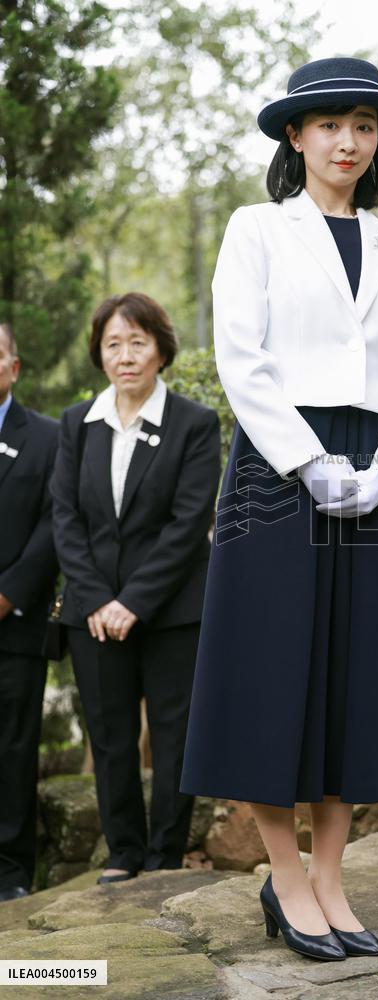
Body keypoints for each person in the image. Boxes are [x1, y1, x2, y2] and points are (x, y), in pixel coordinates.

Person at [179, 56, 378, 961]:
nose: (348, 141)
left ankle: (332, 877)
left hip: (370, 470)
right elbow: (240, 358)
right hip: (277, 470)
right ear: (296, 135)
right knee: (269, 672)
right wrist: (309, 462)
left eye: (364, 125)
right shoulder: (258, 230)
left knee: (353, 674)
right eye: (329, 124)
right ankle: (285, 877)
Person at [50, 293, 221, 884]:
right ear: (100, 354)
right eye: (113, 345)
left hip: (172, 612)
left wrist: (134, 602)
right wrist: (99, 599)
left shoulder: (195, 424)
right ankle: (123, 852)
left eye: (137, 342)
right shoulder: (77, 424)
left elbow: (188, 522)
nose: (126, 356)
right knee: (111, 735)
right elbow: (65, 519)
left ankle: (165, 855)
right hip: (92, 614)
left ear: (161, 350)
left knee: (175, 737)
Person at [0, 322, 60, 902]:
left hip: (13, 626)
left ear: (13, 367)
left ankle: (11, 873)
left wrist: (8, 593)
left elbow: (53, 525)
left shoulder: (47, 437)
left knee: (12, 750)